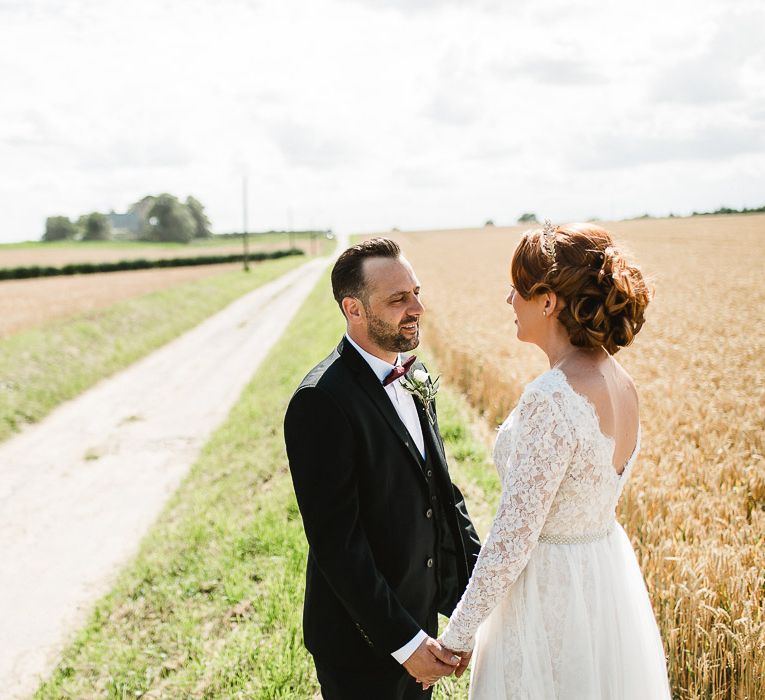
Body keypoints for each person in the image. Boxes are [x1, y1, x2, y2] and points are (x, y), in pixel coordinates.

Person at [438, 222, 671, 698]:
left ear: (548, 301)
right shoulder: (622, 382)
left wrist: (457, 637)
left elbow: (512, 538)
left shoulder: (551, 397)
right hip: (603, 582)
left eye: (518, 289)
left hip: (550, 596)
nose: (509, 300)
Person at [284, 237, 481, 699]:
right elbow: (338, 544)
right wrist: (404, 643)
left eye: (415, 292)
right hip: (361, 643)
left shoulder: (412, 376)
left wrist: (473, 604)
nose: (417, 307)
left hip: (422, 621)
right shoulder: (320, 401)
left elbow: (443, 496)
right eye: (398, 299)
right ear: (353, 309)